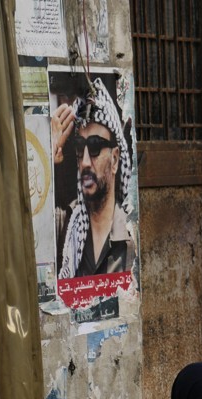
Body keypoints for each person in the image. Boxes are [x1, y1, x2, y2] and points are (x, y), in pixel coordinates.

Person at [53, 78, 135, 278]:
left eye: (96, 146)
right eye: (81, 147)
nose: (86, 162)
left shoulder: (131, 235)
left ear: (115, 159)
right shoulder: (64, 226)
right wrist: (48, 156)